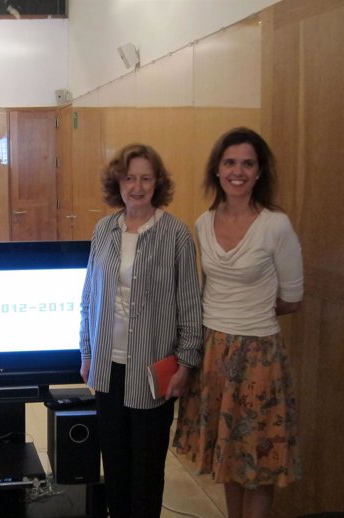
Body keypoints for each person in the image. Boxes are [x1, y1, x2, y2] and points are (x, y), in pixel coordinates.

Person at [173, 127, 303, 518]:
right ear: (217, 169)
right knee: (228, 457)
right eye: (230, 162)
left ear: (260, 172)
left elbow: (293, 299)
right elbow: (205, 290)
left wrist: (250, 315)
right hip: (214, 351)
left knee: (259, 462)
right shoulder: (202, 222)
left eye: (248, 164)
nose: (238, 171)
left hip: (259, 355)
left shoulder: (275, 225)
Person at [79, 143, 203, 517]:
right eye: (129, 177)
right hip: (107, 366)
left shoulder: (176, 234)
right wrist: (85, 352)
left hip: (153, 371)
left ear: (157, 183)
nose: (136, 186)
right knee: (115, 467)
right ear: (117, 182)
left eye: (145, 178)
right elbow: (88, 297)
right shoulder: (104, 229)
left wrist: (187, 363)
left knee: (147, 472)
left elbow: (190, 304)